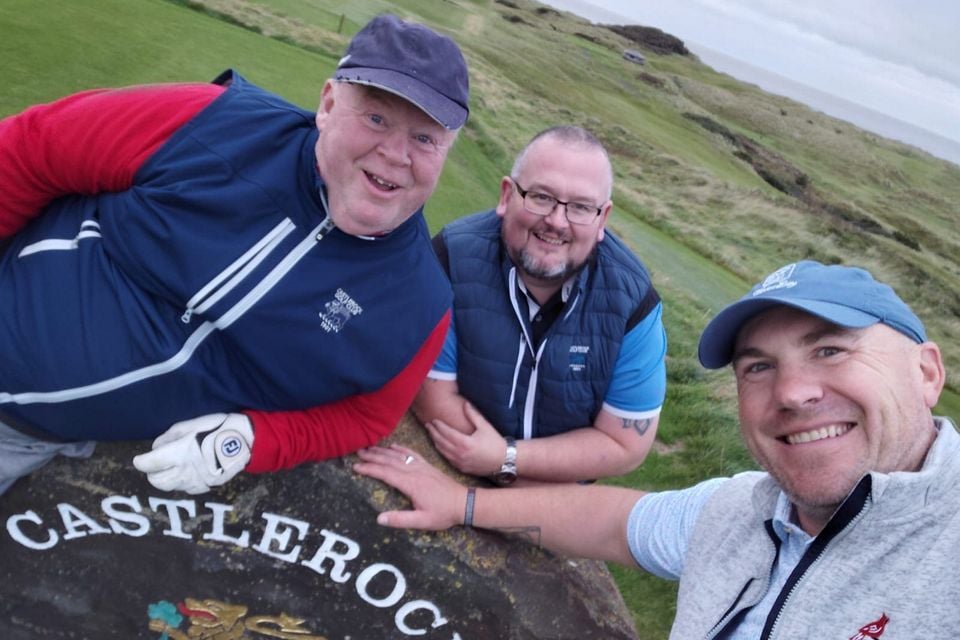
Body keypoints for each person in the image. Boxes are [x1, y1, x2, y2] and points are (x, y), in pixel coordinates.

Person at [355, 260, 958, 637]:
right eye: (758, 366)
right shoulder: (743, 510)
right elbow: (615, 523)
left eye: (831, 350)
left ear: (927, 372)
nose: (794, 393)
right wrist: (462, 504)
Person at [0, 14, 469, 496]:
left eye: (425, 138)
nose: (396, 153)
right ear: (328, 104)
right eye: (376, 117)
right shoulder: (215, 122)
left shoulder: (420, 306)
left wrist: (250, 440)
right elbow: (30, 147)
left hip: (32, 442)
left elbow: (368, 417)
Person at [413, 126, 667, 485]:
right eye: (541, 196)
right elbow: (433, 398)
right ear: (506, 195)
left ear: (602, 220)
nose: (557, 221)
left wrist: (505, 459)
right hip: (450, 471)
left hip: (553, 502)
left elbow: (625, 443)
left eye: (580, 207)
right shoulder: (452, 258)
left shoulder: (634, 303)